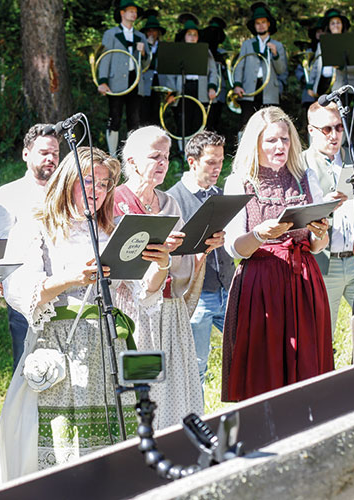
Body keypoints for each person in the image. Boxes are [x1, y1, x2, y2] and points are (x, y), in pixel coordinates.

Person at [0, 147, 173, 484]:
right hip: (62, 345)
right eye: (88, 181)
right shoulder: (37, 226)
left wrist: (161, 264)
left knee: (115, 440)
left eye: (103, 184)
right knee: (63, 441)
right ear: (67, 181)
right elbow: (18, 290)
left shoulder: (111, 230)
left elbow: (144, 293)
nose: (96, 190)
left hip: (109, 347)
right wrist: (72, 278)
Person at [113, 126, 223, 428]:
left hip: (170, 310)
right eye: (154, 156)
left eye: (166, 156)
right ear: (132, 161)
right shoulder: (114, 202)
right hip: (134, 312)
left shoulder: (168, 203)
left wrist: (201, 250)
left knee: (177, 383)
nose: (163, 163)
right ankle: (144, 444)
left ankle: (178, 444)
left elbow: (183, 264)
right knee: (144, 388)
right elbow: (115, 265)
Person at [220, 107, 333, 402]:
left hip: (303, 279)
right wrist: (260, 235)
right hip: (261, 282)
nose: (280, 146)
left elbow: (318, 245)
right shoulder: (240, 181)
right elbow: (233, 248)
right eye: (271, 140)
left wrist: (320, 231)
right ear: (255, 143)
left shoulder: (305, 177)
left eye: (284, 138)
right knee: (264, 364)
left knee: (307, 361)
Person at [166, 131, 234, 394]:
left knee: (247, 353)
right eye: (211, 162)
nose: (217, 168)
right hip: (197, 294)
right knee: (197, 368)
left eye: (220, 161)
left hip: (229, 287)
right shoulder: (172, 200)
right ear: (192, 162)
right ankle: (198, 417)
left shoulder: (222, 194)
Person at [0, 124, 59, 370]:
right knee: (27, 367)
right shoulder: (8, 193)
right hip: (26, 295)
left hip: (63, 290)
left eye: (55, 153)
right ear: (26, 154)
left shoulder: (65, 193)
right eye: (44, 152)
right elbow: (4, 246)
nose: (51, 158)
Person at [301, 102, 354, 329]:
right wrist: (323, 207)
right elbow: (294, 215)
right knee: (321, 334)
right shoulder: (299, 164)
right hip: (323, 263)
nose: (334, 135)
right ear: (311, 130)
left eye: (339, 127)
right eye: (327, 129)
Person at [98, 0, 148, 154]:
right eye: (131, 11)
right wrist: (103, 81)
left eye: (135, 12)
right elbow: (105, 58)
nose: (134, 14)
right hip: (116, 82)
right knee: (115, 117)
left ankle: (132, 154)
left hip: (135, 80)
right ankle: (112, 155)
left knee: (135, 119)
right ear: (122, 13)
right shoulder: (110, 34)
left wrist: (143, 53)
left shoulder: (140, 36)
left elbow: (147, 63)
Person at [231, 2, 287, 127]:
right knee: (247, 123)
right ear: (254, 26)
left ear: (268, 24)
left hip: (270, 91)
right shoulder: (247, 44)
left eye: (263, 22)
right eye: (257, 23)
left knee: (270, 123)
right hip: (249, 89)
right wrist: (237, 85)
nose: (261, 26)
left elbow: (281, 70)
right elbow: (240, 66)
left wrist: (275, 54)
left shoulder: (278, 45)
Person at [166, 20, 219, 145]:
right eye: (189, 34)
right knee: (183, 121)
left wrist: (212, 87)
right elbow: (170, 74)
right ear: (184, 36)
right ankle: (182, 150)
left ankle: (196, 150)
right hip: (182, 89)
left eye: (195, 34)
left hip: (200, 89)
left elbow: (213, 71)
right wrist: (171, 92)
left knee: (198, 121)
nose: (192, 37)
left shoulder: (205, 51)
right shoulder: (177, 51)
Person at [307, 9, 354, 100]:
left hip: (343, 86)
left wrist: (341, 66)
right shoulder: (322, 44)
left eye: (338, 23)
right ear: (329, 27)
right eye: (333, 23)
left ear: (342, 25)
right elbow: (316, 65)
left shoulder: (349, 42)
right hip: (323, 86)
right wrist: (310, 85)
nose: (336, 25)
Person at [138, 10, 166, 127]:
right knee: (143, 112)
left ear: (158, 32)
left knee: (157, 113)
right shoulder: (142, 46)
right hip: (145, 81)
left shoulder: (164, 46)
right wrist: (146, 50)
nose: (151, 33)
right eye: (149, 31)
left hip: (160, 81)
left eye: (154, 30)